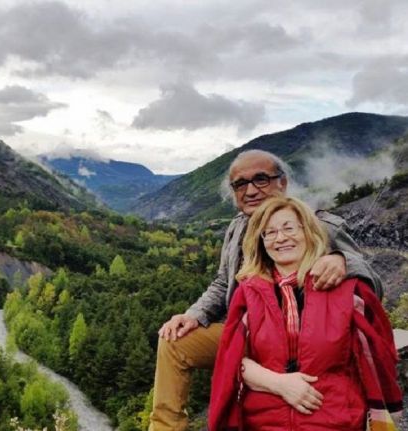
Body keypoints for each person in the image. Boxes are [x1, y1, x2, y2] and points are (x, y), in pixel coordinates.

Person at [149, 149, 383, 430]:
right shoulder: (237, 228)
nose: (250, 190)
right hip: (245, 332)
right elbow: (223, 282)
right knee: (174, 341)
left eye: (260, 180)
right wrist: (194, 315)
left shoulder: (317, 224)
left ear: (282, 182)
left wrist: (342, 259)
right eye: (240, 184)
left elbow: (372, 282)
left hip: (304, 340)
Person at [207, 196, 402, 430]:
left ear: (308, 231)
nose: (280, 238)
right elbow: (232, 361)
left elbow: (378, 357)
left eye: (288, 228)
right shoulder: (248, 293)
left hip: (334, 419)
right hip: (263, 421)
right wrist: (280, 384)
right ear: (260, 242)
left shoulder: (348, 290)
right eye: (269, 232)